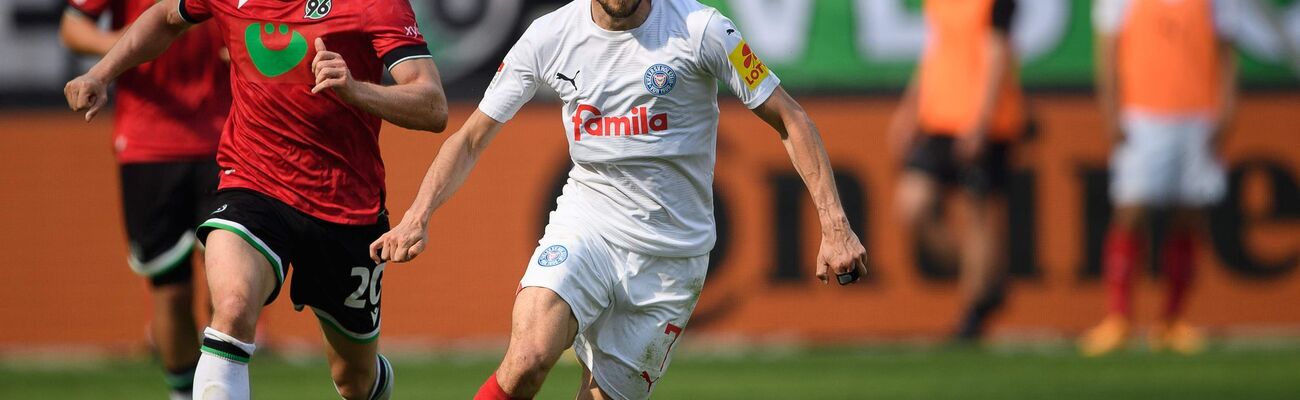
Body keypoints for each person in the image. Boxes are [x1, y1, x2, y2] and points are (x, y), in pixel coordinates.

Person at [370, 0, 868, 398]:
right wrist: (418, 215)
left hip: (672, 259)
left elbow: (790, 117)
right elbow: (472, 136)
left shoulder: (703, 29)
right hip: (588, 226)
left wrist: (835, 225)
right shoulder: (550, 36)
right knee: (527, 361)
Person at [62, 0, 449, 397]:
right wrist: (101, 73)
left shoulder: (374, 4)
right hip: (252, 182)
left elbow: (432, 105)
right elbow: (165, 16)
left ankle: (372, 382)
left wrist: (355, 90)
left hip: (344, 204)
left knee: (354, 380)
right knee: (230, 308)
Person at [59, 0, 230, 397]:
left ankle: (223, 386)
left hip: (226, 139)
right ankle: (184, 393)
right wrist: (120, 43)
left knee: (228, 283)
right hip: (150, 142)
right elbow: (71, 25)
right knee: (171, 289)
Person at [1080, 0, 1241, 357]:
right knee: (1130, 210)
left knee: (1189, 214)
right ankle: (1119, 318)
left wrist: (1227, 106)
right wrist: (1110, 108)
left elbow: (1226, 51)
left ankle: (1171, 320)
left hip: (1198, 113)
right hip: (1141, 113)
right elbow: (1107, 51)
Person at [888, 0, 1025, 341]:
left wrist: (981, 122)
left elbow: (997, 53)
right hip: (940, 116)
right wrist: (910, 108)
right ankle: (985, 279)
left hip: (983, 119)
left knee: (977, 211)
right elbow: (937, 49)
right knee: (912, 205)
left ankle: (973, 315)